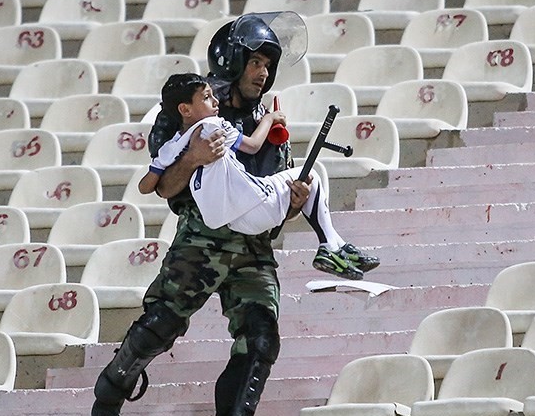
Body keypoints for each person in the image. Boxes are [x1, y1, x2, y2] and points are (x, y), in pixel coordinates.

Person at [90, 12, 375, 416]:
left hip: (253, 248)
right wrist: (193, 157)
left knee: (260, 341)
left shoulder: (269, 123)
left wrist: (294, 202)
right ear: (233, 59)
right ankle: (112, 388)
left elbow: (276, 208)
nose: (263, 72)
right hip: (201, 240)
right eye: (256, 62)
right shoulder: (191, 110)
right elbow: (165, 188)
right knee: (161, 324)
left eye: (268, 65)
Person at [141, 72, 380, 280]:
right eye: (206, 97)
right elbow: (253, 146)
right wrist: (269, 118)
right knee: (311, 177)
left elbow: (147, 186)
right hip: (253, 205)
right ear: (185, 109)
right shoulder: (215, 125)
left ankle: (336, 245)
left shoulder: (173, 144)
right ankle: (330, 245)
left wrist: (184, 162)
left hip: (229, 218)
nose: (215, 101)